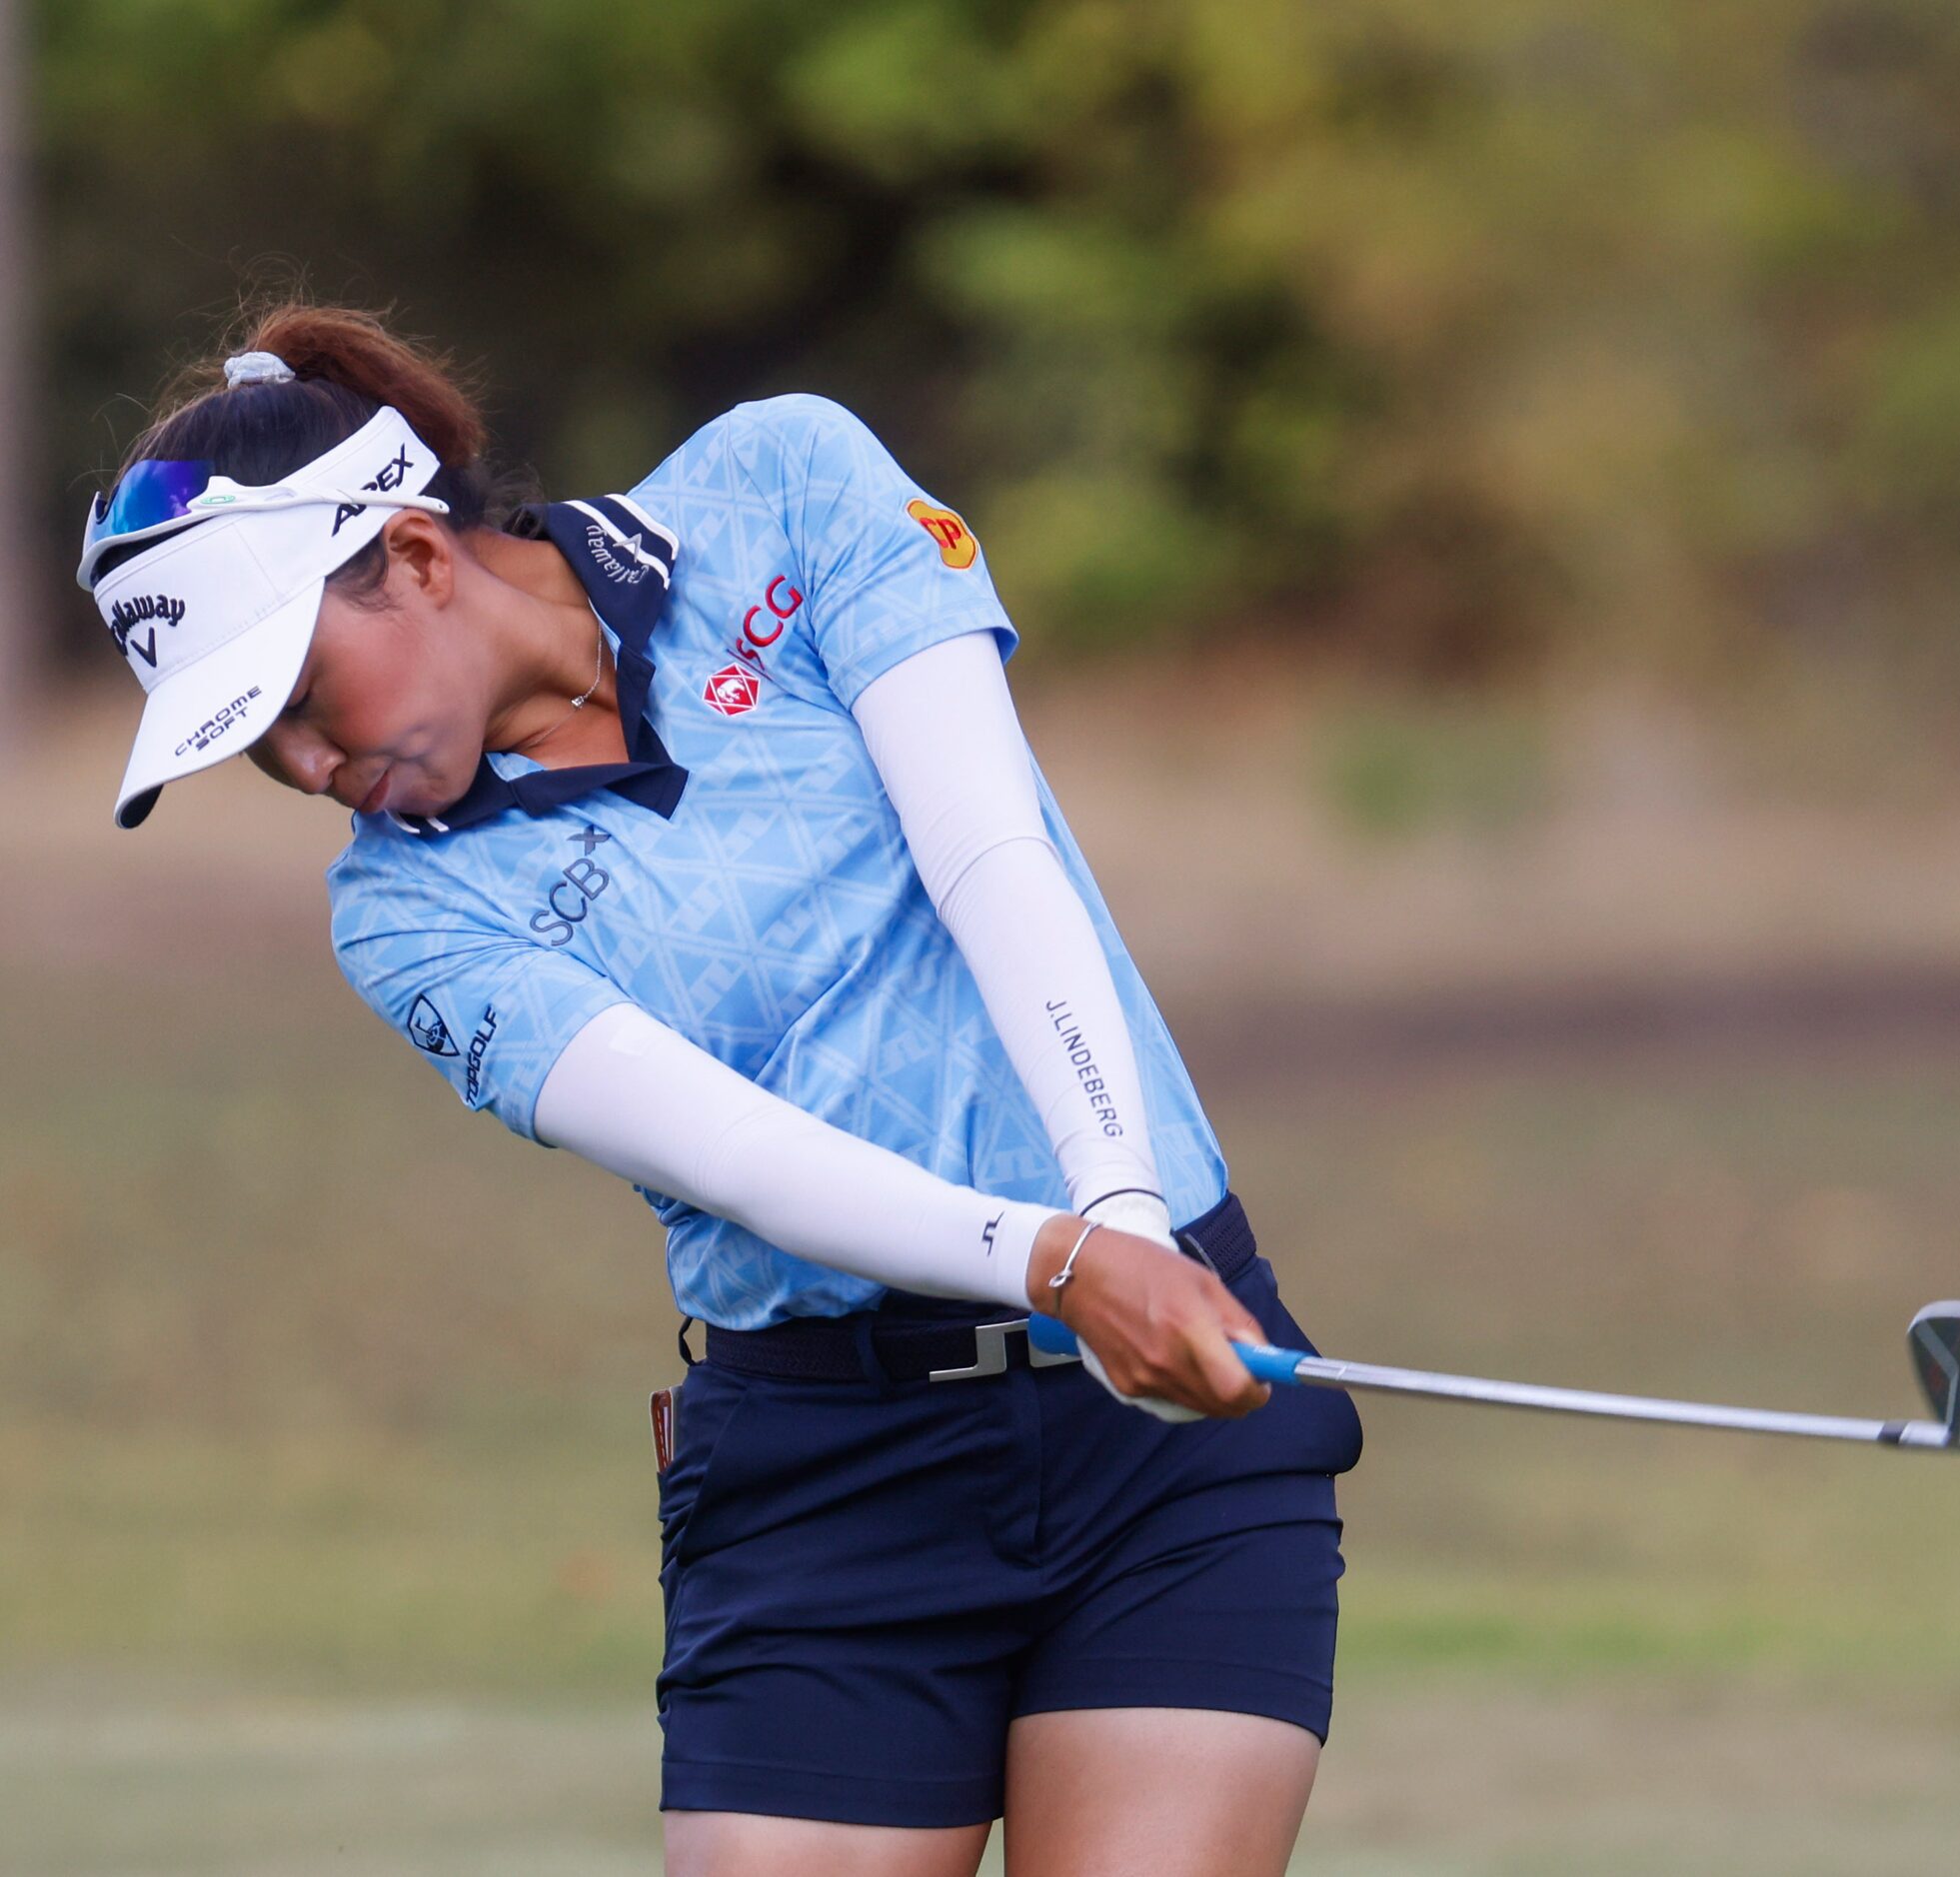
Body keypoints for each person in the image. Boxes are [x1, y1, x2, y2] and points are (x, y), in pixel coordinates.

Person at [80, 305, 1364, 1877]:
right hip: (835, 1471)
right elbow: (735, 1151)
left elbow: (989, 854)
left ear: (414, 555)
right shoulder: (402, 913)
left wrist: (1123, 1212)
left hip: (1168, 1412)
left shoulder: (781, 485)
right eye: (249, 744)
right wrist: (1068, 1262)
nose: (300, 768)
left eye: (292, 696)